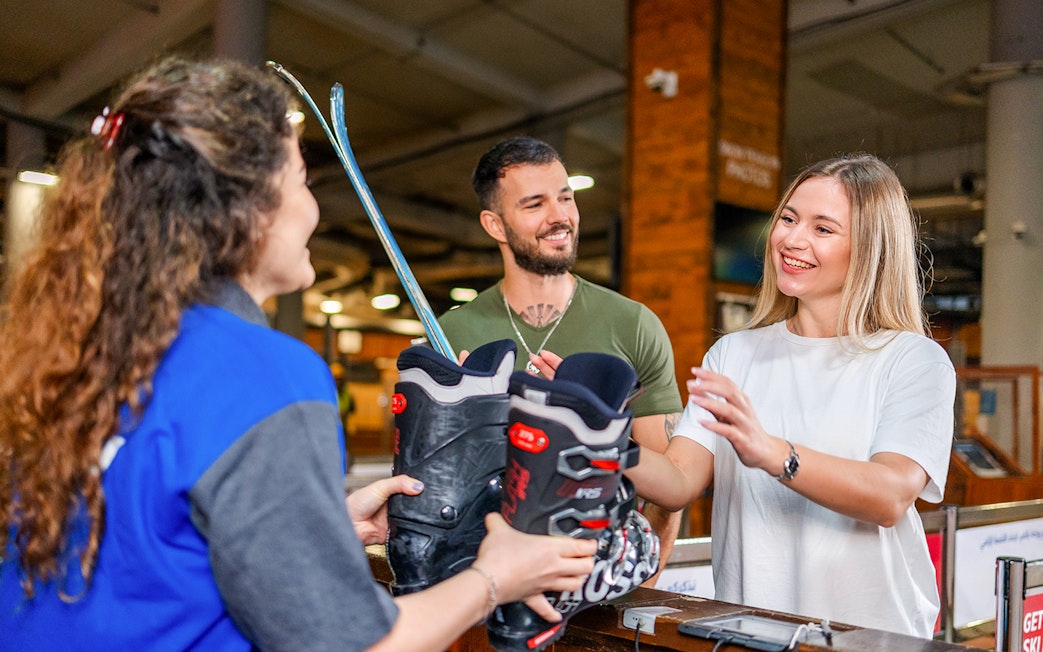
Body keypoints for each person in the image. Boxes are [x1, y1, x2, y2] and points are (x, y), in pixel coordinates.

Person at [0, 57, 596, 652]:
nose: (313, 208)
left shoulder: (84, 353)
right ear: (250, 205)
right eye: (302, 181)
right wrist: (495, 577)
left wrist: (320, 526)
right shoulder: (263, 375)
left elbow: (145, 550)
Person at [626, 153, 956, 638]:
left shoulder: (912, 360)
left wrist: (775, 454)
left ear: (871, 248)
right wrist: (598, 438)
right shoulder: (734, 354)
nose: (792, 240)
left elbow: (890, 494)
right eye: (788, 218)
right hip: (746, 632)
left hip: (872, 638)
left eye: (823, 228)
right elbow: (676, 482)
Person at [438, 136, 684, 571]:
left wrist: (639, 590)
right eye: (535, 205)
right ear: (495, 225)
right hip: (484, 581)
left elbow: (669, 490)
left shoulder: (633, 324)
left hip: (601, 582)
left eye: (566, 198)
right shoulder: (453, 332)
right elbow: (441, 482)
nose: (560, 217)